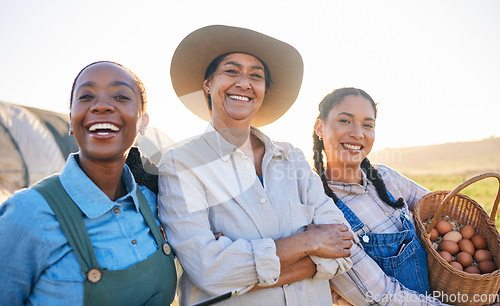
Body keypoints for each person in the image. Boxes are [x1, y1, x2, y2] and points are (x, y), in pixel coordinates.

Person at [158, 25, 353, 305]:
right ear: (208, 83)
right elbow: (207, 269)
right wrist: (308, 242)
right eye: (231, 71)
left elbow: (346, 246)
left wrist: (239, 280)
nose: (244, 83)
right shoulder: (182, 164)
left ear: (262, 90)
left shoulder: (292, 158)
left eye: (256, 76)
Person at [0, 61, 177, 305]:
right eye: (86, 96)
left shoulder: (153, 199)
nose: (102, 105)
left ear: (143, 122)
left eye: (120, 96)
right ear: (72, 119)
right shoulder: (28, 213)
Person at [313, 87, 446, 305]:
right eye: (345, 121)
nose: (358, 133)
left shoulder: (385, 176)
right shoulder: (323, 210)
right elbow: (382, 298)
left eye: (367, 124)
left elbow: (441, 207)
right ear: (320, 127)